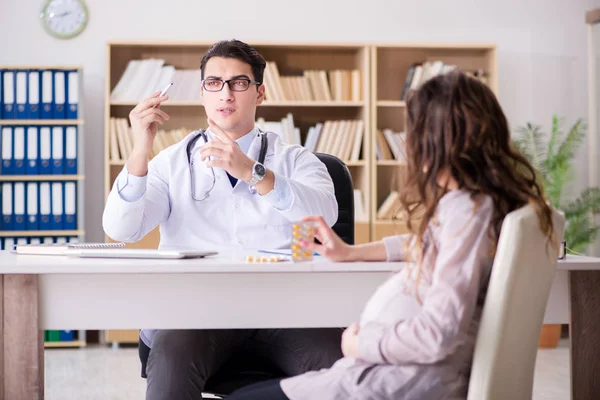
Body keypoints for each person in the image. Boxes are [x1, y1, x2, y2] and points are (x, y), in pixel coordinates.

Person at [226, 70, 557, 400]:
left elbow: (438, 334)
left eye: (413, 132)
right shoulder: (488, 206)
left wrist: (362, 343)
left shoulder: (465, 212)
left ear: (435, 140)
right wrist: (351, 252)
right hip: (396, 374)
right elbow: (428, 243)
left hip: (399, 381)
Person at [102, 39, 343, 400]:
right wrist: (140, 151)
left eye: (239, 83)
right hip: (197, 312)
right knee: (171, 366)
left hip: (286, 312)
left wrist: (254, 173)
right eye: (214, 83)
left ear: (259, 94)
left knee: (340, 370)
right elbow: (121, 229)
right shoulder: (170, 162)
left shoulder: (296, 160)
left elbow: (326, 214)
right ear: (202, 93)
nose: (226, 93)